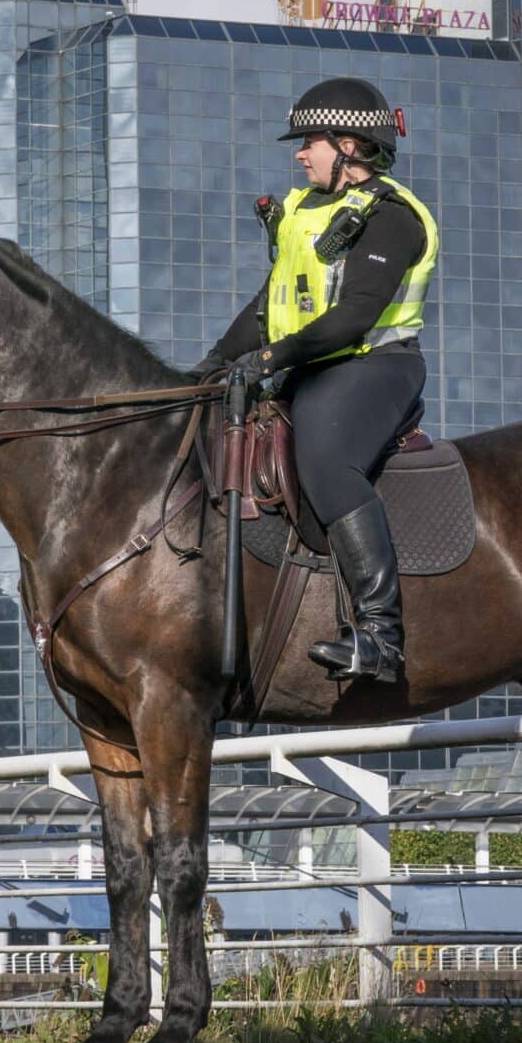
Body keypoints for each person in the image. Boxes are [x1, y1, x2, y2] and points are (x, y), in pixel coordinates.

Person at [198, 77, 438, 683]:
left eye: (311, 141)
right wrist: (207, 370)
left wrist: (274, 360)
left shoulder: (392, 218)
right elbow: (272, 303)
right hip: (307, 360)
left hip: (373, 364)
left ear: (350, 145)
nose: (300, 153)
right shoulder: (306, 210)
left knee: (326, 459)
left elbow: (355, 315)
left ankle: (381, 634)